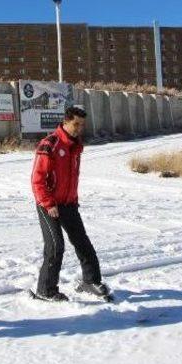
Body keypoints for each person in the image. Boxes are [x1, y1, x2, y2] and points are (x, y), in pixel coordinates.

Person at [30, 106, 111, 302]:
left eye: (82, 125)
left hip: (69, 204)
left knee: (82, 242)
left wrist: (72, 200)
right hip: (48, 204)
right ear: (65, 122)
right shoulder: (50, 143)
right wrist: (48, 203)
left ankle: (90, 281)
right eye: (76, 124)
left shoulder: (75, 145)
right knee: (56, 246)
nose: (79, 128)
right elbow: (37, 179)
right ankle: (45, 290)